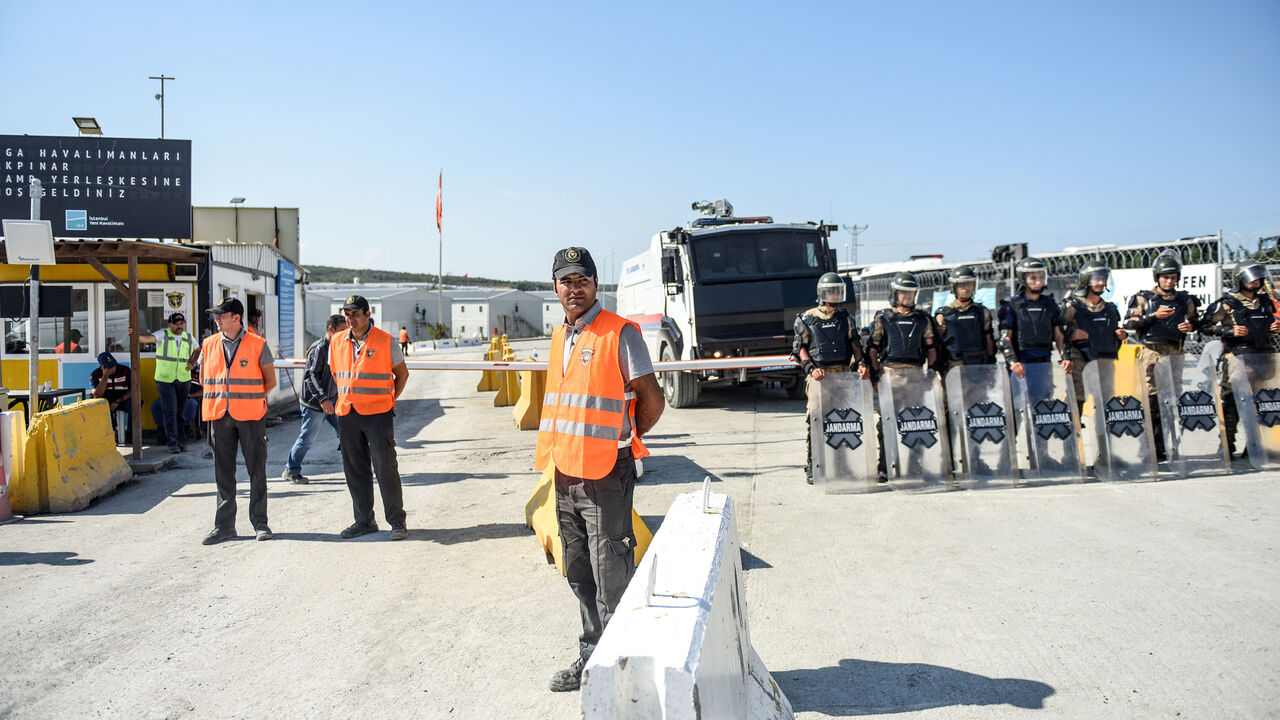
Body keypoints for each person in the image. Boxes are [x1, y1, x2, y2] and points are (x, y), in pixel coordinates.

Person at [537, 247, 664, 693]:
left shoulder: (620, 334)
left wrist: (624, 441)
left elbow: (652, 400)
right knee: (578, 571)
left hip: (607, 473)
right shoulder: (559, 338)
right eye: (566, 281)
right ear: (556, 288)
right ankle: (592, 655)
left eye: (583, 280)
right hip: (565, 473)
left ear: (596, 284)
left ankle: (620, 668)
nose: (575, 288)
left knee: (611, 571)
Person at [329, 295, 410, 540]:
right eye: (347, 314)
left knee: (386, 469)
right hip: (347, 413)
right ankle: (364, 521)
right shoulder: (337, 341)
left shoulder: (387, 341)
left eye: (355, 313)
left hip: (378, 414)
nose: (350, 318)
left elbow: (402, 375)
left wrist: (388, 399)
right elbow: (337, 373)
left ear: (367, 314)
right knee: (355, 469)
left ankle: (397, 522)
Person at [199, 297, 277, 545]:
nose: (217, 319)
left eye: (222, 315)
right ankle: (223, 526)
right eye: (216, 315)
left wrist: (250, 401)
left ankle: (260, 523)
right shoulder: (209, 344)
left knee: (257, 471)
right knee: (223, 473)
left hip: (251, 416)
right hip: (220, 416)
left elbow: (270, 382)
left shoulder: (257, 344)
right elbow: (204, 379)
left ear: (236, 318)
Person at [792, 271, 869, 484]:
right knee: (816, 420)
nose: (834, 295)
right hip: (820, 377)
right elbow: (800, 349)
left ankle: (843, 463)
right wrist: (810, 368)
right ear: (822, 293)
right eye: (830, 291)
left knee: (844, 420)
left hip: (843, 374)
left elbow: (855, 344)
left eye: (837, 291)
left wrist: (861, 363)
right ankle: (813, 465)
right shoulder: (806, 318)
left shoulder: (846, 318)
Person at [1199, 261, 1280, 456]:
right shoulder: (1228, 303)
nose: (1256, 282)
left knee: (1264, 401)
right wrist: (1228, 330)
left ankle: (1258, 443)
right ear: (1240, 280)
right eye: (1251, 278)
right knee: (1234, 398)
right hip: (1238, 357)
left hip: (1264, 355)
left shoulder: (1267, 302)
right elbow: (1204, 327)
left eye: (1258, 278)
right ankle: (1227, 444)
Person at [1124, 255, 1199, 460]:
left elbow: (1197, 320)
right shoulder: (1144, 298)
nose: (1169, 281)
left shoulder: (1184, 299)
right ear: (1158, 278)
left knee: (1171, 399)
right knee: (1151, 400)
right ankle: (1148, 446)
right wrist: (1153, 316)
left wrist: (1190, 326)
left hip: (1174, 352)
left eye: (1173, 277)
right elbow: (1129, 323)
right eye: (1165, 277)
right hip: (1151, 352)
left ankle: (1167, 444)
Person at [998, 257, 1073, 396]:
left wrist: (1066, 357)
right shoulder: (1011, 305)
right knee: (1018, 407)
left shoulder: (1050, 304)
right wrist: (1013, 362)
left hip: (1044, 364)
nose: (1038, 281)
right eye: (1033, 278)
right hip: (1020, 365)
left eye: (1040, 276)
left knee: (1043, 405)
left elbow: (1059, 335)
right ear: (1023, 279)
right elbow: (1005, 338)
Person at [283, 314, 343, 484]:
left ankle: (357, 468)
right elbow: (310, 376)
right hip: (316, 404)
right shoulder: (319, 349)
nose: (345, 334)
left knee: (346, 433)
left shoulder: (339, 347)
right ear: (330, 329)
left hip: (332, 399)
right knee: (307, 439)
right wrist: (323, 399)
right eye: (341, 331)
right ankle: (292, 470)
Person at [1060, 260, 1127, 410]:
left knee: (1106, 401)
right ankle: (1073, 432)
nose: (1101, 282)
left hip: (1105, 360)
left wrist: (1119, 335)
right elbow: (1057, 331)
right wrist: (1071, 334)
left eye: (1103, 278)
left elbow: (1114, 331)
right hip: (1081, 359)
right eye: (1097, 278)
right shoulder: (1073, 306)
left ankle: (1102, 434)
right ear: (1086, 280)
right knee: (1076, 398)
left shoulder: (1109, 309)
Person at [131, 312, 199, 454]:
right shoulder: (163, 334)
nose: (180, 326)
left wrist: (193, 363)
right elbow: (146, 339)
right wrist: (134, 335)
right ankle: (173, 442)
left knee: (180, 411)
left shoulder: (188, 337)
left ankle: (181, 440)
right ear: (170, 324)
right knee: (170, 411)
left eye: (182, 323)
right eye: (177, 323)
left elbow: (198, 350)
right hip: (165, 379)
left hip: (183, 378)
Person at [934, 265, 997, 370]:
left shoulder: (982, 312)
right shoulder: (944, 314)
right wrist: (941, 369)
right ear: (954, 287)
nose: (966, 288)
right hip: (955, 366)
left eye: (969, 284)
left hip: (979, 365)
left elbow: (988, 338)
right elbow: (938, 345)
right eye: (961, 285)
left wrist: (991, 363)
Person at [90, 352, 133, 442]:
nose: (112, 368)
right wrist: (105, 376)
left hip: (122, 398)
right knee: (97, 406)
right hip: (106, 400)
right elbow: (97, 394)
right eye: (109, 367)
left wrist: (118, 401)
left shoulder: (125, 370)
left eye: (113, 365)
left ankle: (131, 434)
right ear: (102, 367)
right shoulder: (95, 374)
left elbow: (133, 389)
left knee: (135, 404)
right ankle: (108, 435)